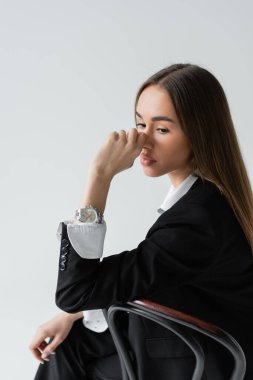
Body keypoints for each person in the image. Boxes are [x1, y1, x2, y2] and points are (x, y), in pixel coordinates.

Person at [30, 63, 253, 380]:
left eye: (161, 129)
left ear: (199, 134)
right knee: (68, 345)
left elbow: (76, 290)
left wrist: (99, 177)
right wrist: (78, 315)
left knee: (65, 354)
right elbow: (150, 281)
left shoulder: (198, 219)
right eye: (140, 124)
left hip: (199, 361)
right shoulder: (201, 202)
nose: (143, 140)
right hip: (182, 341)